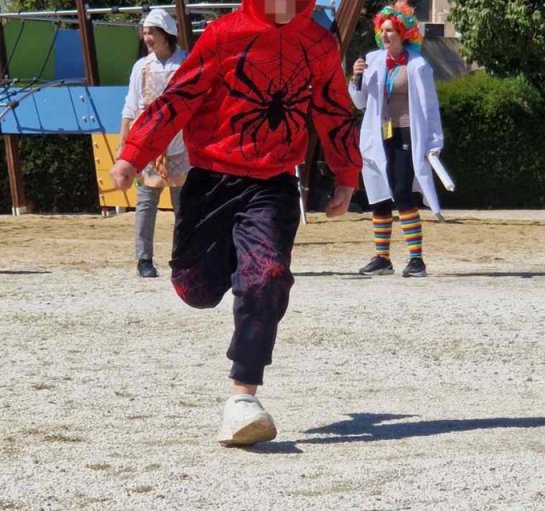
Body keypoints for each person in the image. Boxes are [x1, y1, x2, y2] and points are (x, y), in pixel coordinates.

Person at [110, 0, 361, 446]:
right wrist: (133, 154)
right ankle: (233, 268)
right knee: (196, 290)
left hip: (273, 183)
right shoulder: (224, 35)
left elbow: (334, 109)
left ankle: (243, 397)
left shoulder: (318, 44)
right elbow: (178, 98)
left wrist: (346, 174)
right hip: (211, 181)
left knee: (267, 276)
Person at [349, 1, 444, 278]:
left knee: (402, 192)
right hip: (378, 133)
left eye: (391, 30)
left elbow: (430, 108)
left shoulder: (418, 65)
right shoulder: (373, 60)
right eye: (383, 30)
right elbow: (360, 102)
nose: (385, 35)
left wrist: (434, 143)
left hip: (406, 132)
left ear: (404, 33)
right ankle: (382, 258)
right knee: (378, 194)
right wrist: (356, 78)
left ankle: (416, 259)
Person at [118, 9, 190, 278]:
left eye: (152, 32)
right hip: (148, 144)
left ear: (166, 34)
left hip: (180, 142)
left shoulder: (185, 62)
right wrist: (124, 143)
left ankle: (182, 257)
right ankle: (144, 259)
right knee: (146, 203)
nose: (147, 37)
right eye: (145, 32)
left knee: (184, 205)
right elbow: (130, 106)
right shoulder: (141, 67)